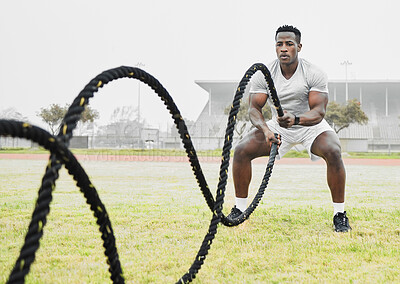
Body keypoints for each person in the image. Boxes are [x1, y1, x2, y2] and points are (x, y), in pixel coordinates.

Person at [227, 25, 351, 232]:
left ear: (299, 47)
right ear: (275, 47)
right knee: (241, 151)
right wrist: (266, 130)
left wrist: (296, 119)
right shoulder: (264, 73)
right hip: (279, 125)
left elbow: (319, 112)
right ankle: (239, 210)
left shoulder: (314, 72)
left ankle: (340, 214)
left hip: (309, 124)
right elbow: (254, 109)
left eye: (289, 44)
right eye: (279, 44)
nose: (283, 48)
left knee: (333, 151)